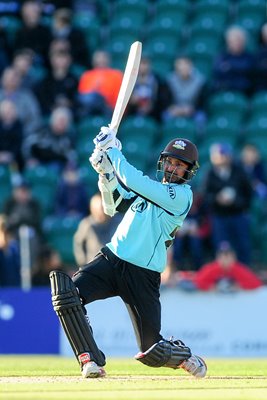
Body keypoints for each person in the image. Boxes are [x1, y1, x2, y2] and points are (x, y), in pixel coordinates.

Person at [49, 126, 207, 379]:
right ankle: (88, 359)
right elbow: (113, 204)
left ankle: (182, 355)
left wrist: (112, 150)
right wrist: (105, 172)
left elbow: (134, 181)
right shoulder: (150, 193)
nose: (172, 168)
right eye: (170, 162)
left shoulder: (181, 197)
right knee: (67, 295)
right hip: (112, 259)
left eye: (180, 165)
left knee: (152, 351)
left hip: (143, 275)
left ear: (188, 171)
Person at [203, 142, 253, 265]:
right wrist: (217, 199)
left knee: (242, 245)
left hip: (238, 214)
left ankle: (243, 272)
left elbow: (248, 193)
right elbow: (206, 196)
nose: (220, 158)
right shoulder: (210, 173)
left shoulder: (239, 171)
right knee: (221, 246)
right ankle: (223, 274)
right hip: (219, 215)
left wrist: (236, 201)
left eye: (223, 155)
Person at [73, 192, 121, 266]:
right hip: (93, 266)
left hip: (115, 265)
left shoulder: (119, 221)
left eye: (103, 207)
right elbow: (78, 243)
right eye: (98, 208)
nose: (101, 211)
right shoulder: (87, 224)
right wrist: (83, 264)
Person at [194, 242, 263, 292]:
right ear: (217, 257)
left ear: (234, 257)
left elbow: (256, 283)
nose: (225, 260)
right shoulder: (211, 268)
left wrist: (240, 286)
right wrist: (211, 286)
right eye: (222, 256)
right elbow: (197, 283)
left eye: (228, 256)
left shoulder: (238, 269)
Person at [211, 26, 254, 96]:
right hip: (223, 91)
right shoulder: (222, 56)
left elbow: (248, 69)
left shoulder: (249, 57)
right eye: (232, 41)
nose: (236, 43)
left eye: (238, 40)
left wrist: (229, 67)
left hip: (243, 92)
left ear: (243, 42)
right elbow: (217, 70)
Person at [164, 56, 206, 120]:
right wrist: (174, 108)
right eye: (180, 64)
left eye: (186, 64)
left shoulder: (200, 80)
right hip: (175, 109)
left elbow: (201, 102)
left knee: (201, 118)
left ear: (191, 65)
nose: (183, 67)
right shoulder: (169, 80)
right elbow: (167, 100)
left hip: (193, 110)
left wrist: (191, 109)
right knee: (166, 116)